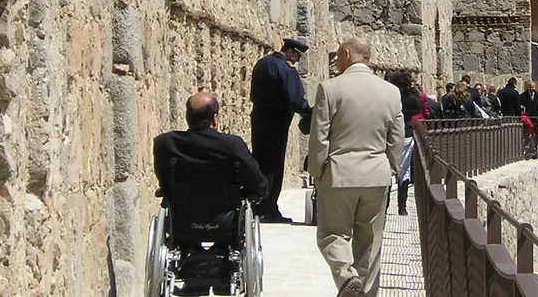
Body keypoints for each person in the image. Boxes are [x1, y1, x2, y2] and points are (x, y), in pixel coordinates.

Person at [309, 37, 404, 297]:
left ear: (347, 54)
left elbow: (320, 136)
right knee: (370, 244)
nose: (336, 61)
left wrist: (317, 172)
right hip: (376, 175)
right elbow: (396, 139)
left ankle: (346, 276)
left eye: (338, 55)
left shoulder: (330, 89)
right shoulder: (391, 92)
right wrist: (393, 169)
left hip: (339, 174)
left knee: (332, 235)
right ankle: (366, 293)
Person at [153, 93, 269, 296]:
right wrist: (258, 192)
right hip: (224, 223)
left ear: (188, 116)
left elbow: (164, 180)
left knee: (181, 219)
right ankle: (222, 270)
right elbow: (256, 179)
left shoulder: (166, 144)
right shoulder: (232, 145)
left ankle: (192, 273)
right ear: (215, 118)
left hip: (184, 221)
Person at [250, 38, 311, 223]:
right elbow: (295, 99)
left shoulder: (262, 63)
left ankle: (256, 206)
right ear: (290, 52)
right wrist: (309, 112)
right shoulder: (286, 69)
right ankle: (269, 209)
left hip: (259, 118)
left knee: (259, 161)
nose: (298, 60)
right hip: (277, 122)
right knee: (274, 167)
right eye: (297, 56)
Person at [391, 71, 424, 216]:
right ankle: (401, 206)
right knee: (403, 171)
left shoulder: (391, 94)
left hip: (389, 132)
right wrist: (414, 90)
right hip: (405, 133)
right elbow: (419, 106)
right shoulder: (411, 97)